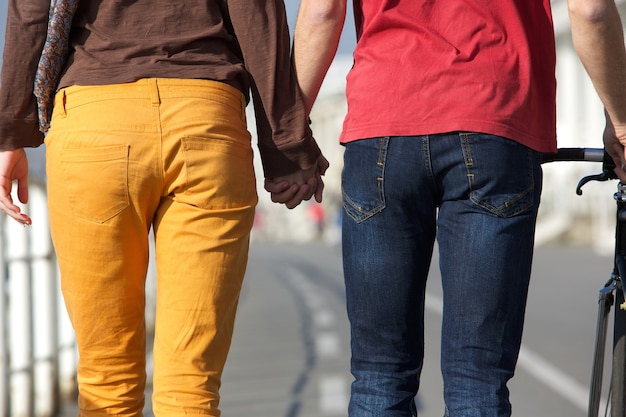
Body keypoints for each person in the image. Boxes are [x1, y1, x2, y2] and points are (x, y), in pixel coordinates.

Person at [266, 0, 626, 416]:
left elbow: (321, 13)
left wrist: (289, 139)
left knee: (379, 377)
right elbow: (591, 10)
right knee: (478, 381)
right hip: (493, 120)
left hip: (383, 122)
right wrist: (620, 123)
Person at [0, 0, 328, 415]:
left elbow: (30, 11)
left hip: (94, 123)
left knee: (106, 383)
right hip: (206, 119)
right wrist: (285, 147)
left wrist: (11, 131)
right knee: (191, 386)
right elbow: (258, 14)